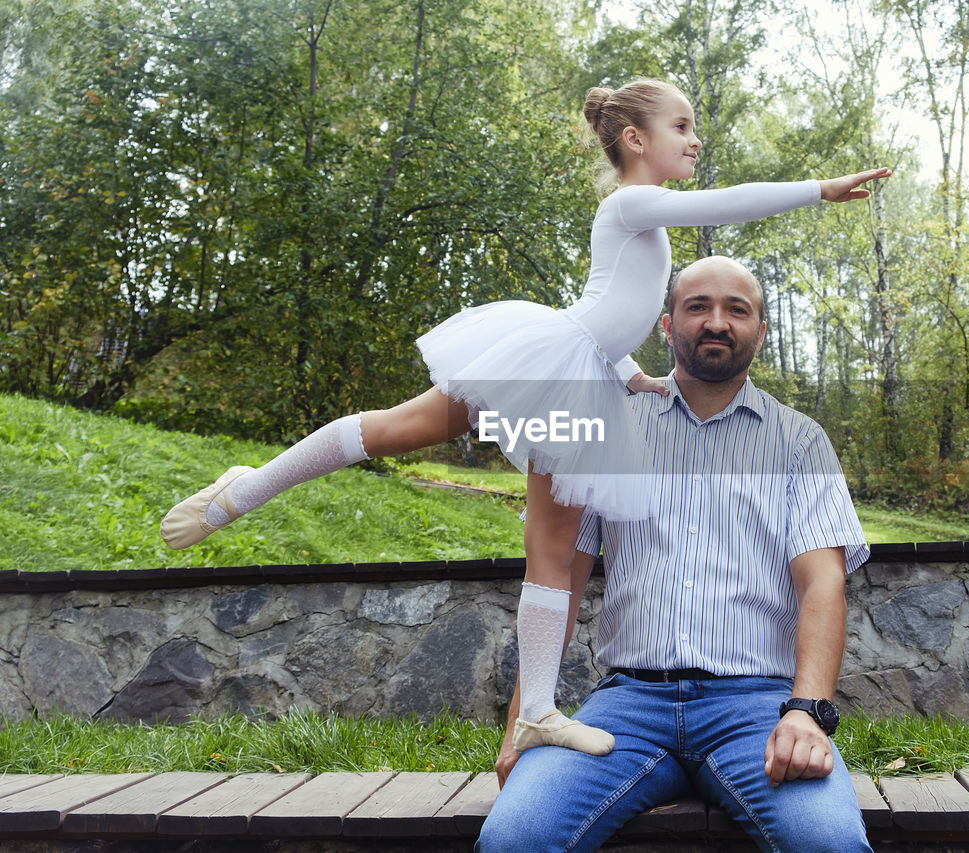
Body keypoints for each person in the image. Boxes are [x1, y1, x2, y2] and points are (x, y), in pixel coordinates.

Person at [160, 77, 890, 758]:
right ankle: (249, 487)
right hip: (555, 364)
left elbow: (613, 314)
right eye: (681, 125)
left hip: (579, 371)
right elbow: (724, 206)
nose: (694, 139)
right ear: (636, 140)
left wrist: (631, 375)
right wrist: (817, 190)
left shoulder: (640, 218)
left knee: (542, 528)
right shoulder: (633, 203)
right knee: (414, 442)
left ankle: (535, 707)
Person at [477, 255, 874, 853]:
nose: (717, 322)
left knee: (831, 844)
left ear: (760, 331)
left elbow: (823, 585)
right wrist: (520, 724)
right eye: (698, 307)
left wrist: (808, 713)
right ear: (667, 326)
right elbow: (559, 580)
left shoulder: (800, 440)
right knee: (515, 838)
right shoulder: (608, 431)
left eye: (736, 310)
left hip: (757, 708)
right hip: (626, 708)